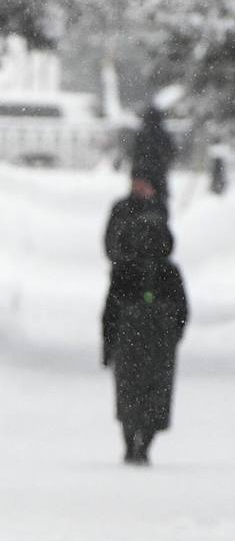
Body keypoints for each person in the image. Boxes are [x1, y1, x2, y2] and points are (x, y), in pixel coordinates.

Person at [102, 180, 189, 464]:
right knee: (154, 394)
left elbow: (110, 311)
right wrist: (173, 332)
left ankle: (131, 443)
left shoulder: (125, 269)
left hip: (131, 340)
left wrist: (108, 344)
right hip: (159, 343)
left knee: (130, 392)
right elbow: (182, 309)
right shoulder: (169, 271)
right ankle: (144, 443)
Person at [130, 105, 175, 207]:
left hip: (141, 175)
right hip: (158, 176)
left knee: (138, 205)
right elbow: (171, 154)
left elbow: (134, 154)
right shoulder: (163, 135)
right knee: (158, 205)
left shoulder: (141, 135)